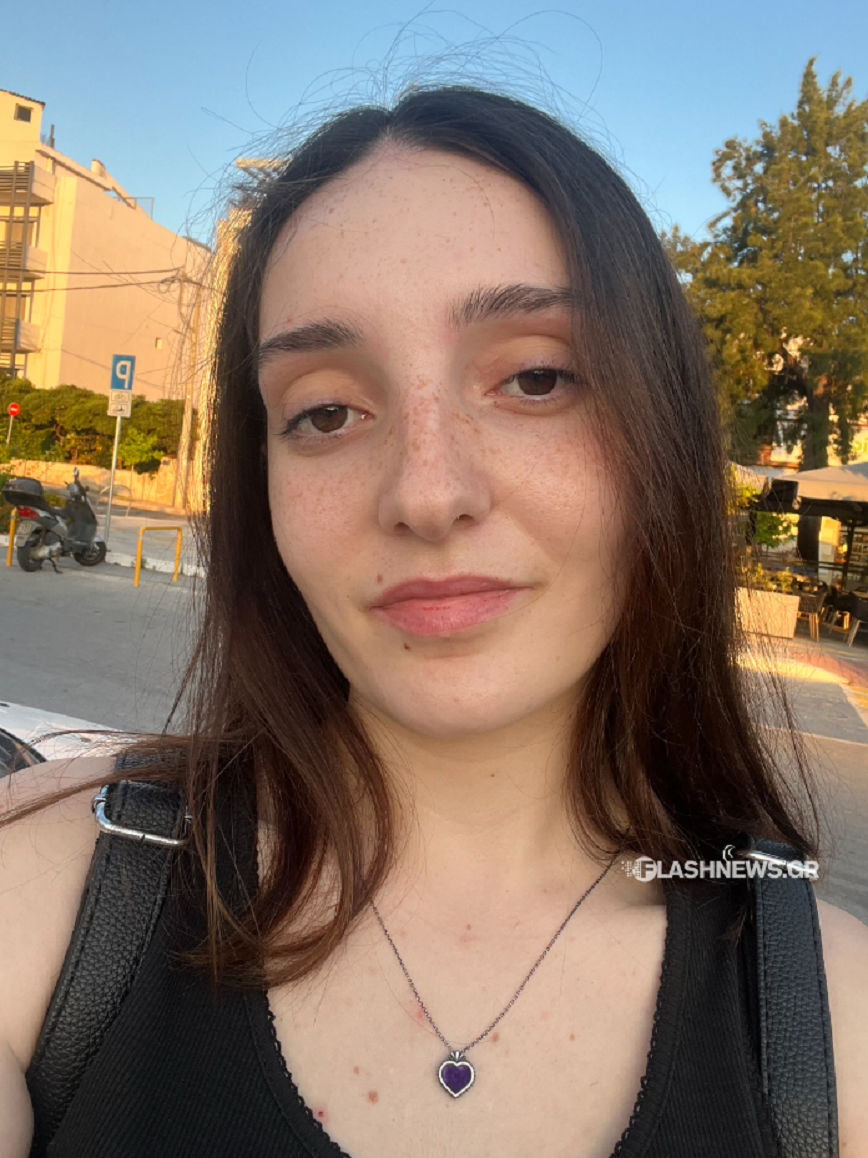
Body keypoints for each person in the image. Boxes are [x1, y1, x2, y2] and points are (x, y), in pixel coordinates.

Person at [1, 86, 867, 1158]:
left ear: (664, 438)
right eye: (325, 411)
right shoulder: (47, 904)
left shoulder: (831, 1026)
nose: (425, 491)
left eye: (536, 378)